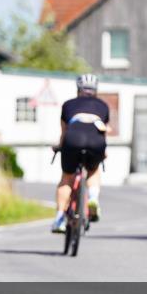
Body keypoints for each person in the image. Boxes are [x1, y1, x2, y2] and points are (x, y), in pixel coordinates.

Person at [53, 73, 110, 233]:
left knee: (66, 178)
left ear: (78, 89)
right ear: (95, 90)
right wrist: (103, 152)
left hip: (73, 139)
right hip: (95, 142)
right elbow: (103, 132)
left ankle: (59, 219)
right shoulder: (103, 106)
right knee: (93, 170)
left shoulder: (68, 105)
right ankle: (92, 198)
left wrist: (58, 146)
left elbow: (64, 133)